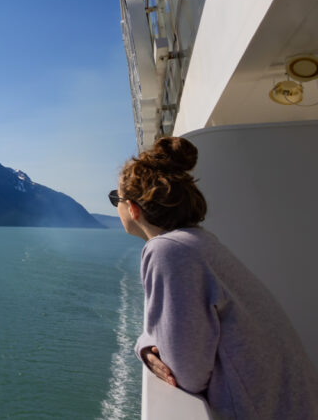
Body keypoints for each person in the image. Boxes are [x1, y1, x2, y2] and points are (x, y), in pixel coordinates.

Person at [112, 136, 318, 419]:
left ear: (133, 208)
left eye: (116, 199)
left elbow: (186, 373)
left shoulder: (167, 250)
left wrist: (142, 346)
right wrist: (149, 344)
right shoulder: (198, 241)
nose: (117, 207)